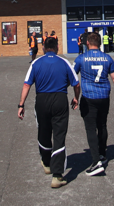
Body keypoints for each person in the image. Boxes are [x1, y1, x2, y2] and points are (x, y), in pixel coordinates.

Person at [18, 37, 80, 188]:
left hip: (42, 100)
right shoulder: (64, 62)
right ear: (57, 47)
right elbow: (76, 83)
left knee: (43, 132)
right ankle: (57, 175)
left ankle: (47, 163)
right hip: (59, 99)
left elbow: (27, 85)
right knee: (59, 135)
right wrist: (76, 98)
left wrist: (21, 104)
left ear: (44, 48)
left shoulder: (36, 63)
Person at [73, 33, 114, 176]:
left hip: (89, 96)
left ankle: (96, 162)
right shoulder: (107, 58)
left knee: (90, 128)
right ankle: (102, 153)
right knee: (102, 125)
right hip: (104, 96)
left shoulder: (81, 58)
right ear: (100, 44)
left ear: (88, 43)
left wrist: (76, 97)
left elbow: (74, 79)